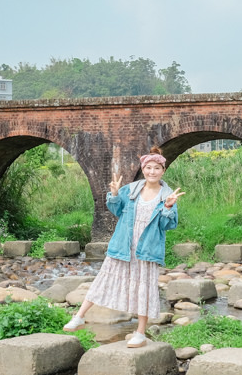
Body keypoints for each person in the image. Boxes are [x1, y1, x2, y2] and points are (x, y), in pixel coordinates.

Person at [63, 148, 185, 347]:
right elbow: (117, 210)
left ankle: (140, 332)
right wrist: (114, 194)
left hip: (147, 247)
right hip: (123, 243)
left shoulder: (168, 195)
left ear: (163, 170)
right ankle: (79, 316)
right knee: (105, 278)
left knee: (143, 287)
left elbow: (167, 225)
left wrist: (169, 207)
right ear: (143, 169)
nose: (152, 172)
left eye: (156, 168)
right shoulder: (131, 189)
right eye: (148, 167)